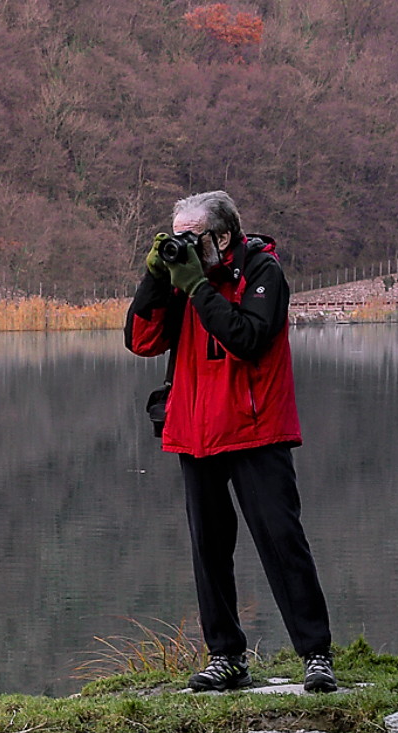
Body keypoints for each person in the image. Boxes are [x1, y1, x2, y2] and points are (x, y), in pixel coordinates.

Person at [124, 190, 337, 694]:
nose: (183, 246)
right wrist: (156, 278)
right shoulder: (181, 279)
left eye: (192, 237)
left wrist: (197, 286)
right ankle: (226, 657)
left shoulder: (263, 272)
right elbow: (140, 341)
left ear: (222, 236)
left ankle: (316, 654)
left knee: (281, 540)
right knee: (209, 549)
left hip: (255, 429)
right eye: (175, 237)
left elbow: (247, 338)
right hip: (195, 431)